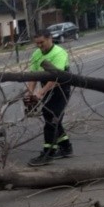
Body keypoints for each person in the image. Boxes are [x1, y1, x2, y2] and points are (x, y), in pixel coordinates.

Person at [25, 29, 73, 167]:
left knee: (51, 120)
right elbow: (33, 75)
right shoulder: (36, 54)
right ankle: (66, 147)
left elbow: (56, 77)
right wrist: (30, 93)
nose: (39, 46)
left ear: (50, 38)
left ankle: (48, 153)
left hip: (61, 89)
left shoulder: (59, 53)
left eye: (42, 42)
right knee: (52, 117)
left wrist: (40, 92)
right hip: (46, 87)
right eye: (37, 43)